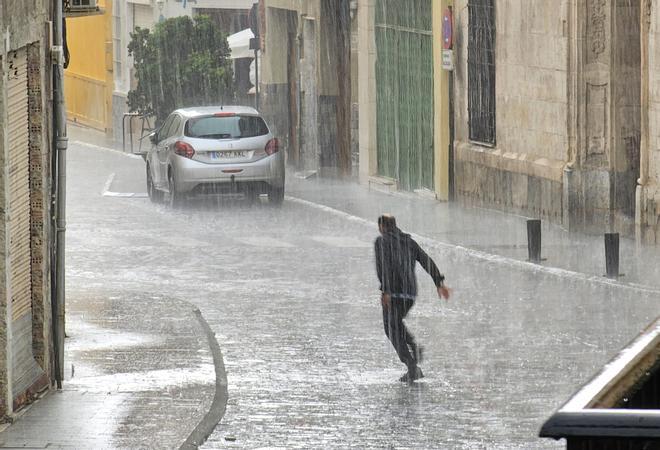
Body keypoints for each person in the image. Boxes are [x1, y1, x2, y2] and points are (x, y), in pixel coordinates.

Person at [374, 214, 450, 383]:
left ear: (382, 227)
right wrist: (439, 282)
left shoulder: (381, 241)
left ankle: (412, 366)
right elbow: (426, 260)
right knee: (395, 323)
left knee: (391, 329)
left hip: (393, 293)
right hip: (410, 294)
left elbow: (383, 266)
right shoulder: (409, 241)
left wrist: (386, 290)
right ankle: (414, 349)